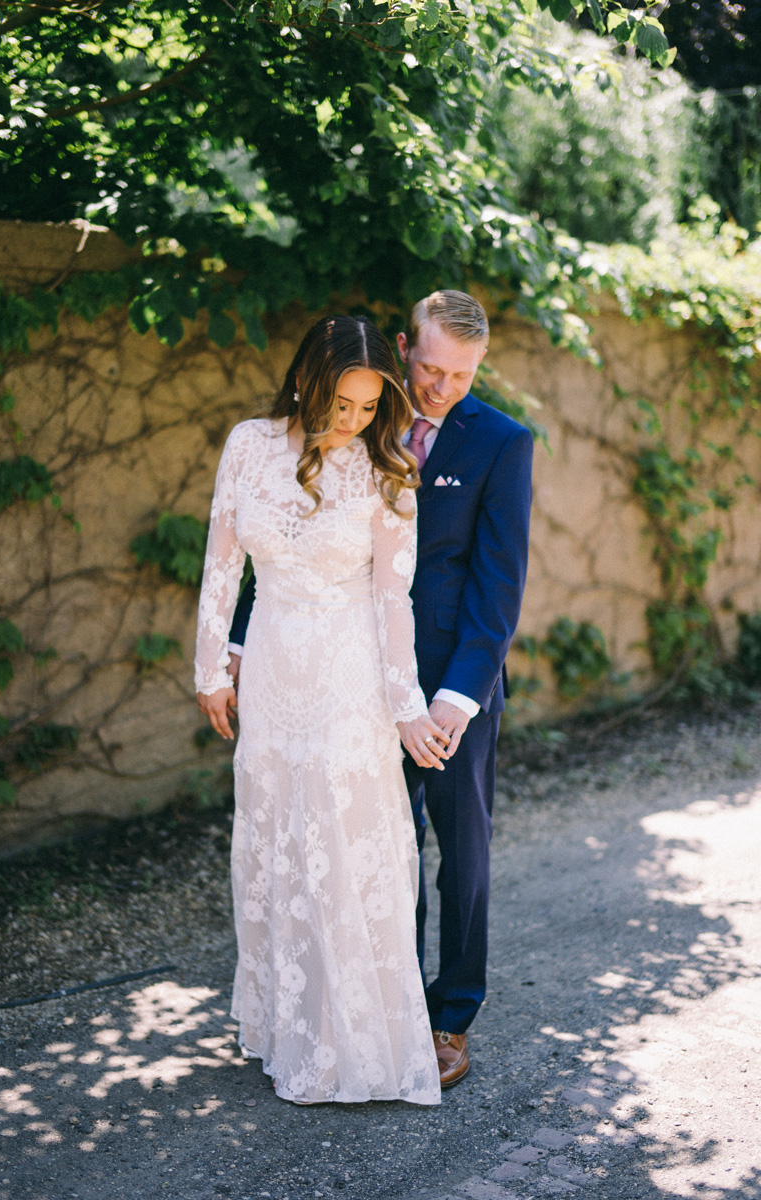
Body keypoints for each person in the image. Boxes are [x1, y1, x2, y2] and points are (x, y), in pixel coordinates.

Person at [194, 314, 447, 1106]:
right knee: (277, 837)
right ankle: (287, 1026)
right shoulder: (247, 445)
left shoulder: (387, 472)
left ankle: (354, 1043)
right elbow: (223, 563)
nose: (352, 422)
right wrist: (211, 666)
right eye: (341, 403)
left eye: (369, 408)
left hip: (349, 681)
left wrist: (406, 706)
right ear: (308, 378)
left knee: (341, 845)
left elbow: (392, 602)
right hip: (270, 668)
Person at [395, 290, 533, 1088]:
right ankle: (394, 1002)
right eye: (432, 367)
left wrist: (456, 698)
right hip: (367, 681)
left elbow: (498, 586)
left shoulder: (503, 442)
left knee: (463, 859)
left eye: (463, 375)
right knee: (385, 851)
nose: (442, 388)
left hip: (457, 690)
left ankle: (453, 1016)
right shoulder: (370, 416)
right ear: (406, 345)